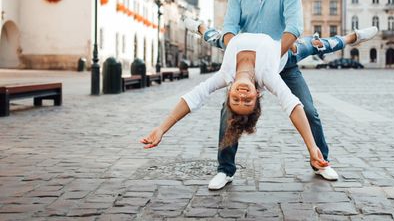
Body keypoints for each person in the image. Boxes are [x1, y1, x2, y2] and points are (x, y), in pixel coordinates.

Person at [205, 0, 371, 190]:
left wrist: (273, 56)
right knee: (228, 112)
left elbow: (293, 27)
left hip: (284, 59)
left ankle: (320, 161)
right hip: (248, 66)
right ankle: (225, 170)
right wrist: (237, 54)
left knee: (309, 110)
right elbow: (229, 29)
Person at [140, 27, 377, 187]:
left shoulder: (226, 74)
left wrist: (162, 128)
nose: (242, 97)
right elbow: (293, 105)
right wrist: (312, 148)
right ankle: (353, 37)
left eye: (236, 100)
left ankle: (196, 25)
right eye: (248, 101)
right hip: (286, 56)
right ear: (257, 95)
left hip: (238, 42)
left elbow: (193, 97)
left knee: (215, 36)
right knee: (319, 45)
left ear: (229, 92)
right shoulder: (266, 75)